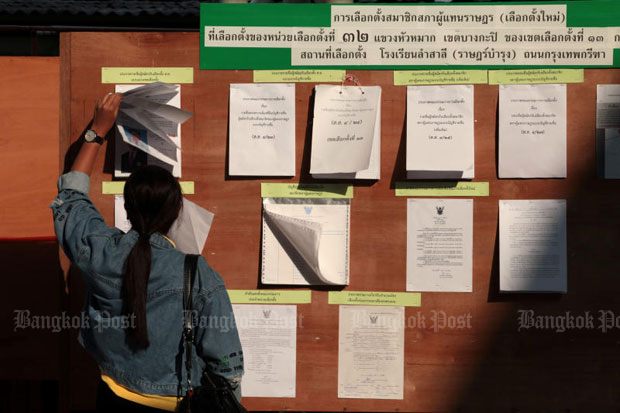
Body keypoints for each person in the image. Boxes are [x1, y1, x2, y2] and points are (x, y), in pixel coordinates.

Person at [51, 93, 243, 412]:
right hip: (176, 404)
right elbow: (226, 362)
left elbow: (70, 198)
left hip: (112, 397)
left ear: (127, 207)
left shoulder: (101, 252)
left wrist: (97, 132)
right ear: (177, 211)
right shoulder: (197, 274)